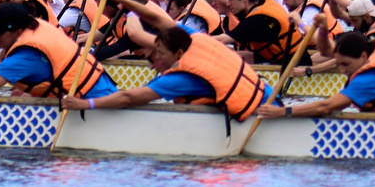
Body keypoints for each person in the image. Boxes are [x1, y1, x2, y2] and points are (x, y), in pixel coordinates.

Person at [60, 26, 267, 120]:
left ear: (178, 53)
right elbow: (159, 19)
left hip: (261, 116)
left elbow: (129, 97)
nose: (154, 62)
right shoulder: (198, 44)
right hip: (264, 98)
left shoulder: (180, 79)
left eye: (160, 55)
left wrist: (85, 104)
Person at [257, 29, 375, 119]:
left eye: (346, 64)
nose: (342, 70)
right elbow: (326, 50)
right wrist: (322, 28)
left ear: (363, 56)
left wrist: (282, 111)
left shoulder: (369, 78)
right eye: (338, 64)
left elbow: (326, 107)